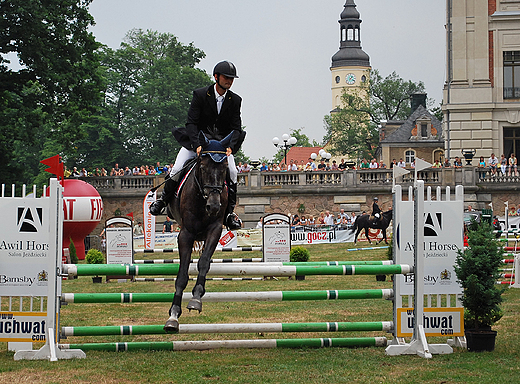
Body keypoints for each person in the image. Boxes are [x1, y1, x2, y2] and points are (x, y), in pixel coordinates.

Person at [149, 61, 245, 231]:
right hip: (198, 142)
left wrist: (231, 146)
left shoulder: (235, 100)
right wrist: (196, 144)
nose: (229, 81)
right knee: (177, 167)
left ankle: (229, 214)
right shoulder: (200, 95)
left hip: (220, 147)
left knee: (233, 172)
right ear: (216, 77)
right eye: (226, 77)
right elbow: (191, 123)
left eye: (231, 78)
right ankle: (163, 201)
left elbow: (236, 127)